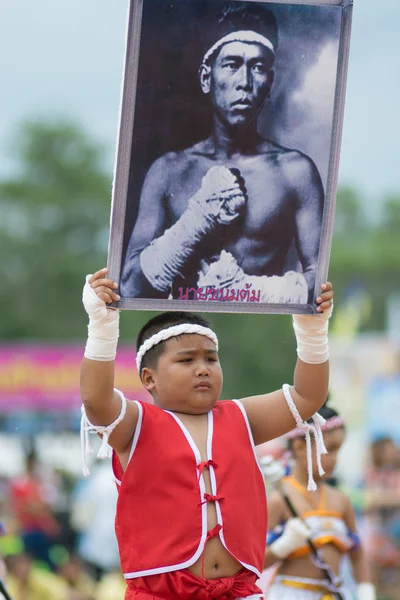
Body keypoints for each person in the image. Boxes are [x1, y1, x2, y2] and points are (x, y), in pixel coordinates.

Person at [79, 267, 333, 600]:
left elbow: (307, 398)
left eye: (211, 358)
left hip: (240, 592)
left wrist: (312, 329)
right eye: (187, 360)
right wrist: (102, 324)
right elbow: (96, 399)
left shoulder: (241, 416)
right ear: (149, 378)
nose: (203, 368)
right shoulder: (135, 424)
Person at [121, 2, 324, 304]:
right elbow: (130, 287)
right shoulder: (169, 171)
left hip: (256, 335)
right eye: (231, 64)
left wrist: (245, 291)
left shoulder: (294, 172)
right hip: (186, 327)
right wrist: (198, 217)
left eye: (257, 67)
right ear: (207, 77)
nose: (244, 82)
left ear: (270, 83)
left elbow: (321, 283)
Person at [264, 405, 376, 600]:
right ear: (299, 447)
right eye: (328, 450)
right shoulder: (280, 499)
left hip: (334, 593)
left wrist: (366, 589)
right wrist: (282, 546)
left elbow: (357, 554)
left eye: (338, 451)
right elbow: (252, 563)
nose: (334, 459)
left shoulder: (340, 500)